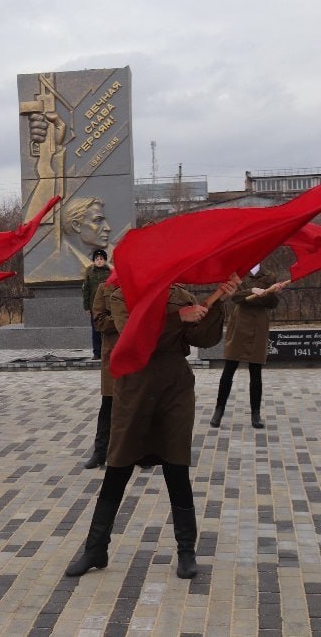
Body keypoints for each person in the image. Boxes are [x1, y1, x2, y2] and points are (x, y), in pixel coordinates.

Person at [65, 274, 240, 580]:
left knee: (177, 467)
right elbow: (131, 332)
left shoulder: (181, 295)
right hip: (133, 389)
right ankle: (96, 548)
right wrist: (177, 318)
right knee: (117, 467)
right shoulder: (121, 294)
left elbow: (202, 339)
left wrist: (216, 304)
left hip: (174, 390)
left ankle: (186, 550)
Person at [211, 265, 283, 429]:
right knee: (229, 369)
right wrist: (253, 290)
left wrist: (267, 293)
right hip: (239, 323)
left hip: (259, 324)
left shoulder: (270, 275)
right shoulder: (237, 273)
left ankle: (255, 413)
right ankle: (219, 410)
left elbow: (273, 303)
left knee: (255, 371)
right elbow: (235, 298)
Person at [82, 274, 119, 469]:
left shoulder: (140, 285)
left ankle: (142, 452)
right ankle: (100, 452)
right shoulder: (104, 288)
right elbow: (99, 322)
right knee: (108, 405)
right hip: (113, 354)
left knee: (138, 406)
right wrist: (123, 317)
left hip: (137, 353)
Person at [82, 248, 111, 359]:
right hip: (94, 306)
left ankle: (107, 352)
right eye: (97, 259)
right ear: (94, 261)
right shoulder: (90, 272)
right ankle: (97, 352)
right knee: (96, 330)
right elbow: (86, 290)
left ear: (105, 260)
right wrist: (86, 307)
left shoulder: (109, 272)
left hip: (107, 306)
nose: (99, 261)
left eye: (101, 259)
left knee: (107, 329)